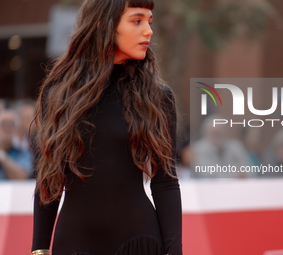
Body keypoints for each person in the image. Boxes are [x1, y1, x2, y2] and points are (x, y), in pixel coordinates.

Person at [30, 0, 182, 255]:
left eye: (149, 21)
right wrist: (39, 250)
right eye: (137, 20)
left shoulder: (157, 97)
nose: (148, 31)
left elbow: (165, 182)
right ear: (105, 25)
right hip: (73, 245)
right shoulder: (59, 94)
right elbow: (48, 180)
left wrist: (174, 252)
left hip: (139, 243)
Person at [0, 109, 33, 179]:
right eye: (4, 123)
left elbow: (22, 177)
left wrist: (1, 154)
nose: (8, 128)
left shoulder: (22, 151)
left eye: (11, 124)